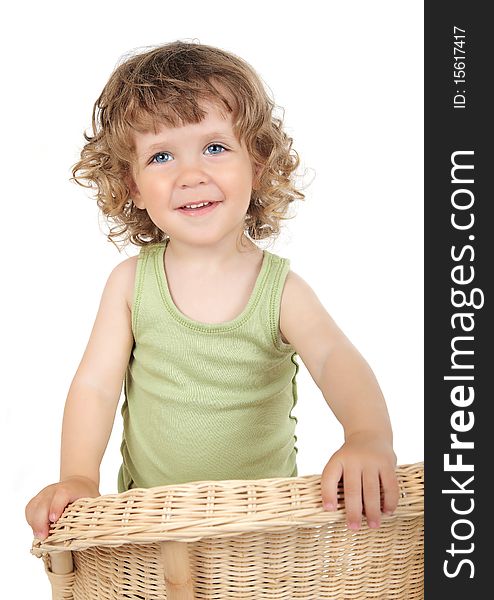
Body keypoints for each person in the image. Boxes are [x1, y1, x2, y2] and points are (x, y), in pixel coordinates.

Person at [25, 40, 399, 541]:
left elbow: (336, 360)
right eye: (161, 156)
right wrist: (78, 476)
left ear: (258, 164)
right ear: (132, 185)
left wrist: (367, 436)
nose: (191, 175)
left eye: (216, 148)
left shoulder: (281, 290)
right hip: (151, 524)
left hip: (260, 527)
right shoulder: (131, 284)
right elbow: (95, 386)